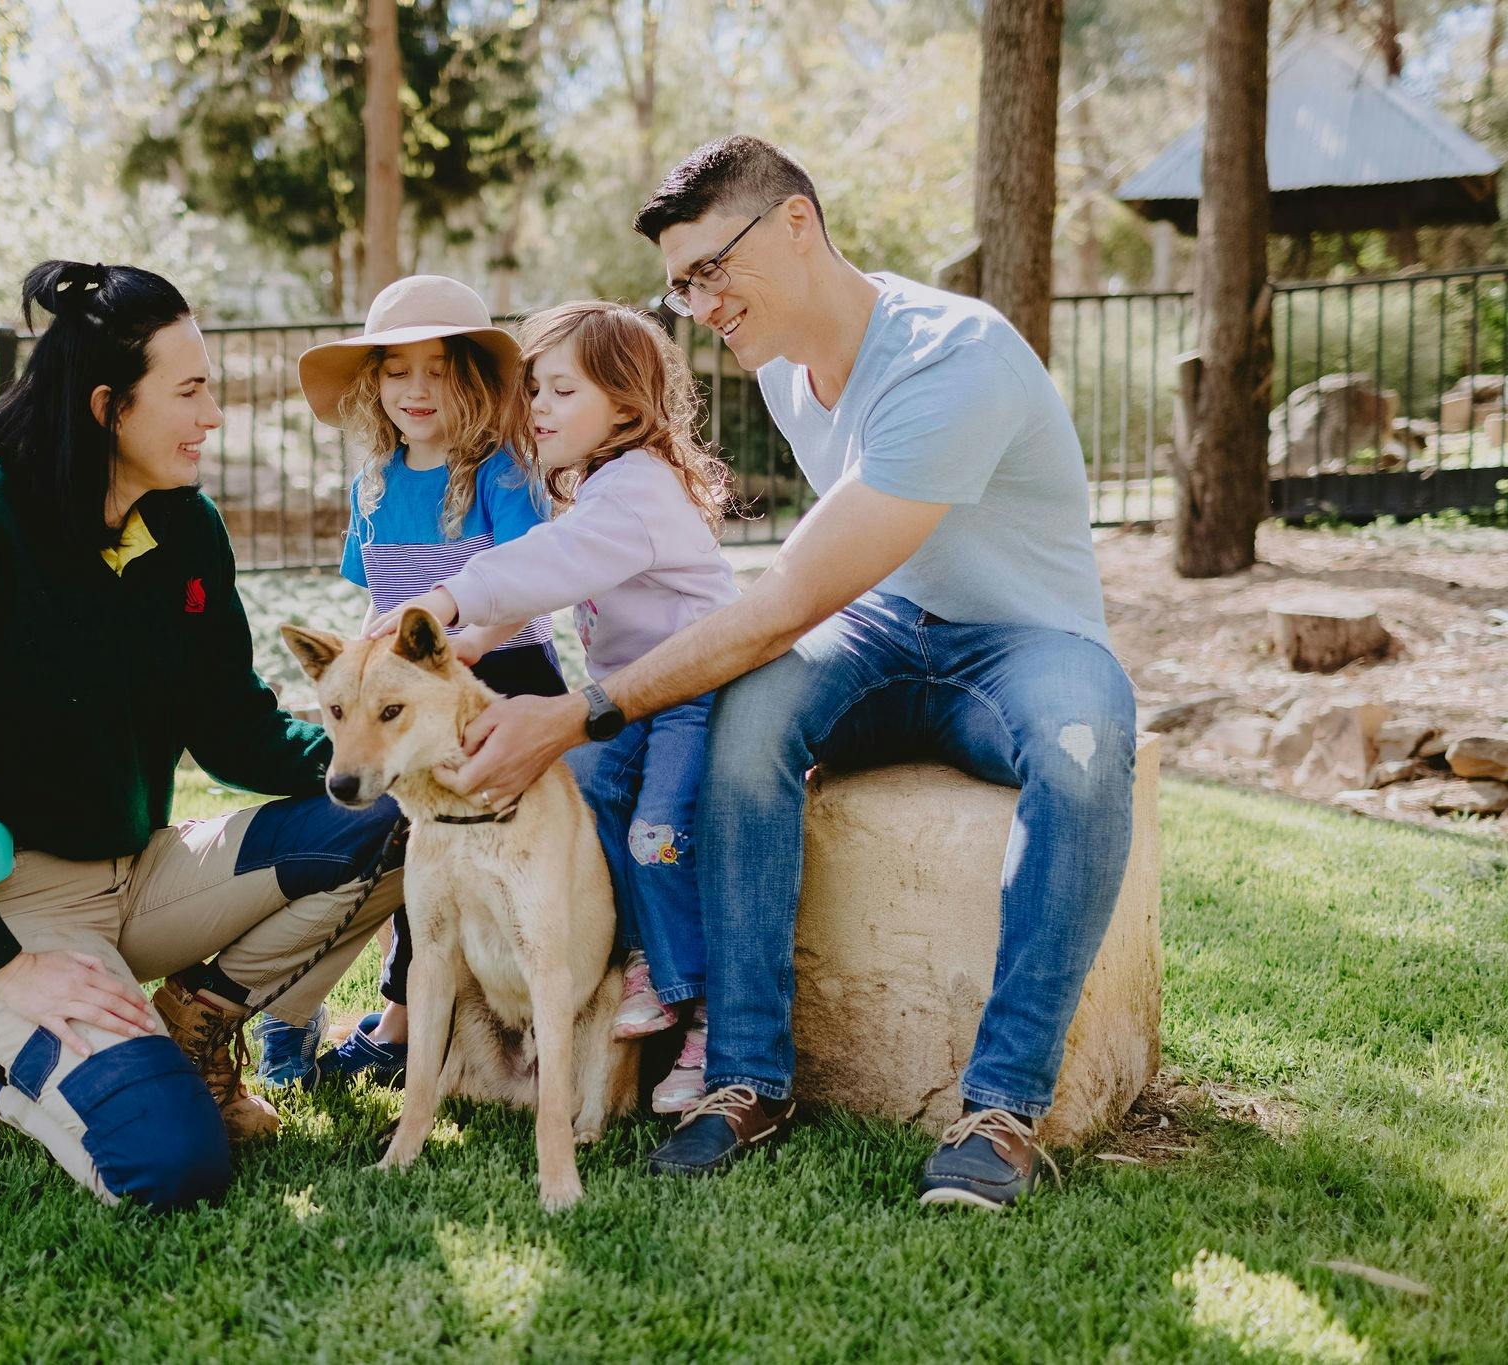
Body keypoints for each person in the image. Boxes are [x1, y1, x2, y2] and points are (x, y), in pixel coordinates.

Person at [439, 137, 1137, 1210]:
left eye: (709, 270)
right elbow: (822, 596)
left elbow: (781, 603)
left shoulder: (953, 355)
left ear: (796, 225)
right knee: (744, 723)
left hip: (1022, 637)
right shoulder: (780, 369)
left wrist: (578, 714)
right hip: (885, 628)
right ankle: (746, 1078)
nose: (697, 304)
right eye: (677, 286)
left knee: (1084, 754)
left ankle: (1000, 1110)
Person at [0, 260, 403, 1211]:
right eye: (189, 391)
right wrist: (6, 963)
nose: (212, 415)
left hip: (139, 874)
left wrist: (386, 763)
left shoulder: (186, 528)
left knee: (400, 819)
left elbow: (232, 728)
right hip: (9, 910)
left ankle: (188, 1029)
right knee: (167, 1164)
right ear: (107, 407)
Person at [367, 300, 737, 1114]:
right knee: (586, 789)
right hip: (633, 699)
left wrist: (452, 599)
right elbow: (556, 571)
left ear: (628, 406)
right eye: (533, 388)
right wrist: (471, 638)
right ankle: (615, 953)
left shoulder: (635, 487)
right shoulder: (602, 485)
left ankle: (691, 1003)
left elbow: (548, 561)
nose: (535, 407)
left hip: (693, 695)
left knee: (655, 835)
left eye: (562, 391)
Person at [253, 274, 565, 1089]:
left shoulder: (499, 472)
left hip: (499, 671)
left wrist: (459, 655)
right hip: (403, 688)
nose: (416, 390)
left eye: (438, 369)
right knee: (392, 831)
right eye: (397, 370)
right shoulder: (376, 484)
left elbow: (530, 579)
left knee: (463, 833)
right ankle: (352, 1011)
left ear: (470, 379)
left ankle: (407, 1023)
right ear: (373, 383)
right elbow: (380, 601)